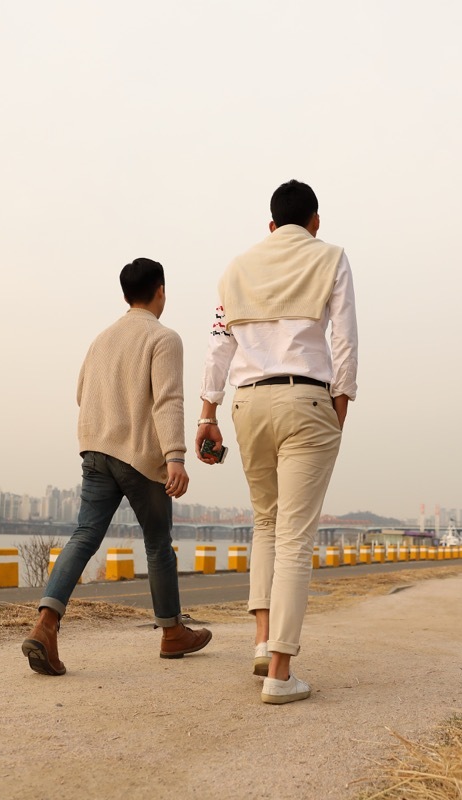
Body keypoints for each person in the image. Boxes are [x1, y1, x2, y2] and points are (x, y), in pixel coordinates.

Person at [197, 180, 358, 705]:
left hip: (247, 404)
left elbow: (219, 343)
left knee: (264, 522)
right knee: (295, 535)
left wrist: (207, 410)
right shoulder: (330, 257)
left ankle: (263, 642)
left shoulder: (236, 268)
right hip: (306, 399)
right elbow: (344, 337)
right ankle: (280, 675)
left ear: (270, 226)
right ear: (315, 220)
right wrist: (342, 400)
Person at [21, 258, 211, 676]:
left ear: (126, 294)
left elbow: (80, 393)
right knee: (158, 542)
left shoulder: (101, 340)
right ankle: (172, 632)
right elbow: (168, 400)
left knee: (85, 535)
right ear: (160, 290)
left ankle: (46, 625)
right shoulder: (164, 338)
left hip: (94, 450)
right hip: (140, 455)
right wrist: (175, 456)